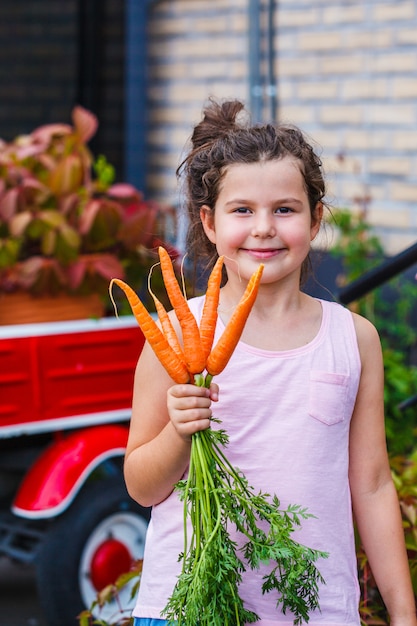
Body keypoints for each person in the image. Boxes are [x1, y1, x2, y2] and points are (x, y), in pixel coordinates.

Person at [124, 98, 417, 626]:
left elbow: (371, 484)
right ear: (209, 223)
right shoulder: (173, 334)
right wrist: (177, 431)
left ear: (315, 217)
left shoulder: (353, 338)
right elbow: (142, 486)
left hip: (314, 607)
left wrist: (403, 614)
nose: (264, 228)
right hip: (189, 604)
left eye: (285, 209)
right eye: (243, 210)